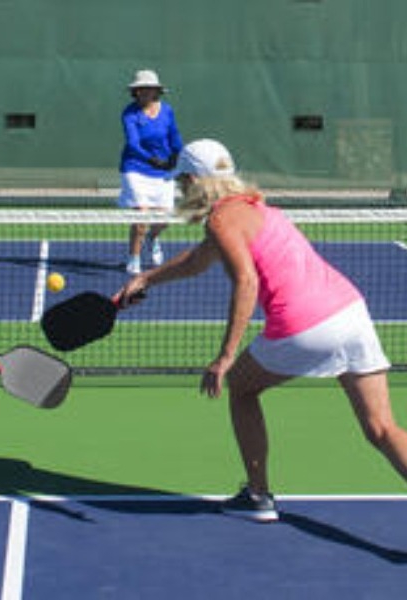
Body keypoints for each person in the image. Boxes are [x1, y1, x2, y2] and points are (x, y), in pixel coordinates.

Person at [115, 138, 407, 523]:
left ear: (193, 181)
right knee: (382, 428)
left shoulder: (221, 220)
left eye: (183, 182)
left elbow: (246, 282)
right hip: (351, 313)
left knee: (241, 387)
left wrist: (225, 356)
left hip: (305, 324)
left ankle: (257, 495)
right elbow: (198, 260)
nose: (181, 190)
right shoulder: (257, 208)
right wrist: (146, 279)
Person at [118, 69, 183, 274]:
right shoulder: (130, 114)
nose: (144, 92)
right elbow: (133, 143)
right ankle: (134, 258)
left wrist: (177, 155)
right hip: (136, 168)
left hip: (163, 171)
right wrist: (152, 160)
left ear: (156, 91)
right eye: (141, 89)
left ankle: (153, 238)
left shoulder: (167, 111)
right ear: (135, 92)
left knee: (163, 219)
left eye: (149, 89)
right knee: (142, 216)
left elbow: (174, 135)